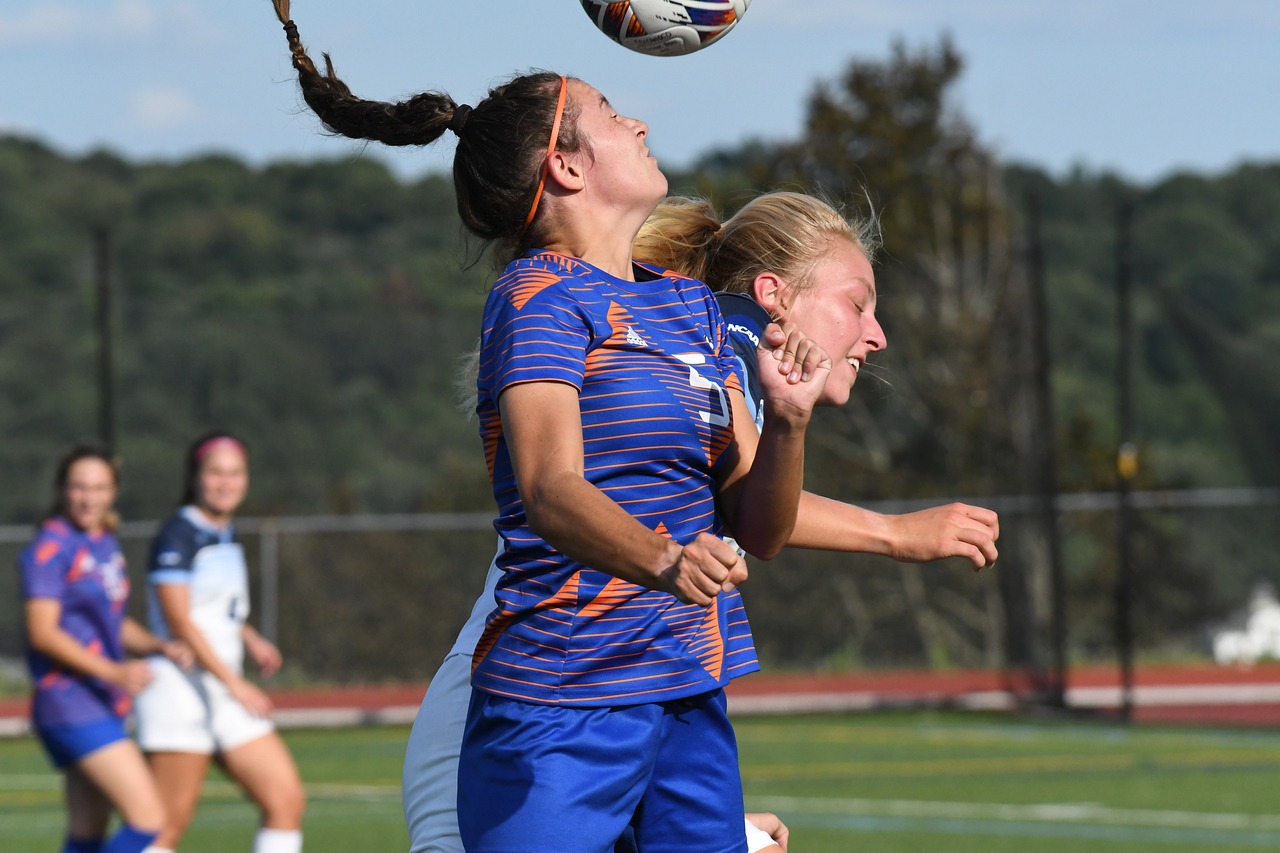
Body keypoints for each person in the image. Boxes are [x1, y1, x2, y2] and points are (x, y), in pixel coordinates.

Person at [272, 4, 829, 851]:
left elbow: (762, 525)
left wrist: (787, 424)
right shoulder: (536, 299)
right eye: (610, 113)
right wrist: (666, 558)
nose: (637, 120)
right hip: (561, 698)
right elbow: (549, 489)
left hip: (686, 689)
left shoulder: (686, 304)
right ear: (565, 166)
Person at [401, 190, 1001, 853]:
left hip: (591, 706)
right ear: (773, 292)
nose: (876, 332)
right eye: (856, 302)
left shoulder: (717, 353)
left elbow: (748, 516)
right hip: (521, 703)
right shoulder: (733, 330)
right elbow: (746, 505)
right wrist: (892, 533)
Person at [132, 432, 306, 853]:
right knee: (165, 829)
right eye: (215, 473)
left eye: (235, 473)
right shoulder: (178, 534)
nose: (225, 482)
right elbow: (179, 621)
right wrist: (235, 683)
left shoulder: (223, 531)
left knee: (285, 801)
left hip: (224, 693)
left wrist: (250, 638)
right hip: (181, 693)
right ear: (195, 477)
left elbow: (216, 610)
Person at [19, 443, 190, 853]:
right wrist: (114, 672)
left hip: (98, 700)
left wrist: (157, 645)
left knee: (88, 830)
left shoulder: (102, 542)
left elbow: (113, 623)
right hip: (70, 703)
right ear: (62, 489)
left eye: (98, 488)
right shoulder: (50, 548)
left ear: (112, 491)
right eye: (79, 487)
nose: (88, 497)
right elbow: (42, 633)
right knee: (149, 820)